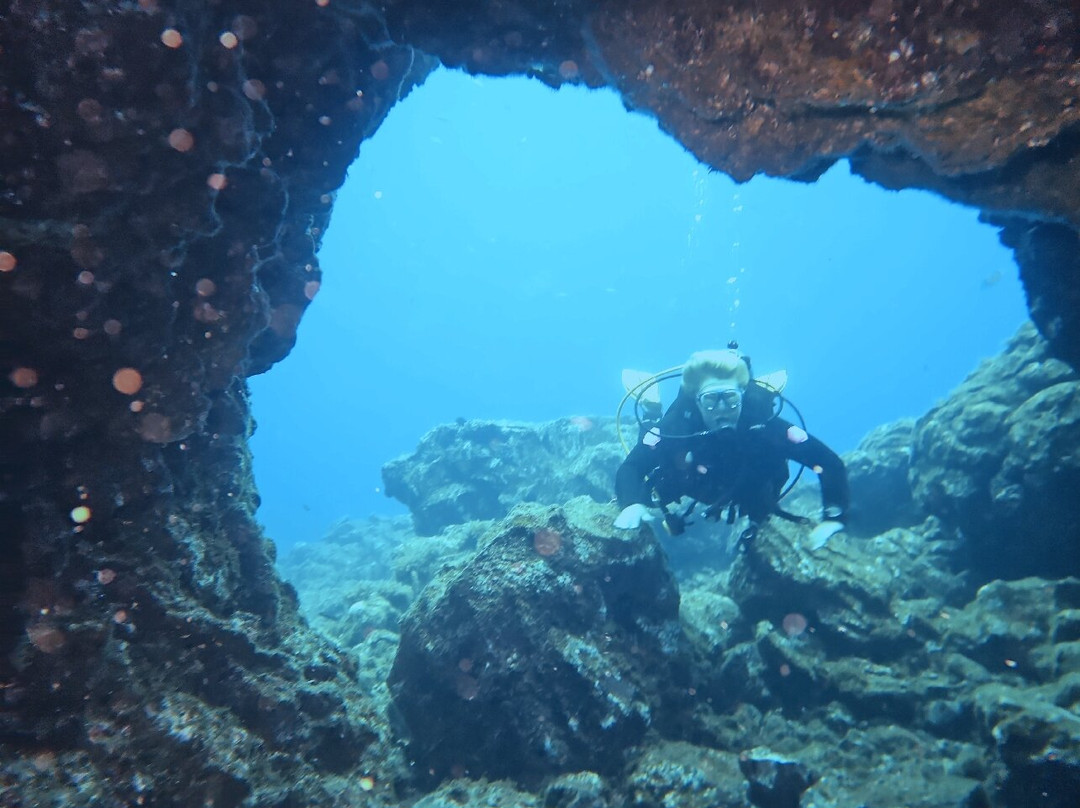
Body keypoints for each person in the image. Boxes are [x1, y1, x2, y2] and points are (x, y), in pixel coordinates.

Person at [614, 348, 849, 548]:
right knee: (654, 443)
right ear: (697, 401)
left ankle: (763, 391)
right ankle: (652, 408)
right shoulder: (677, 426)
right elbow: (633, 466)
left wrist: (833, 516)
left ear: (743, 396)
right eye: (710, 400)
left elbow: (827, 462)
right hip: (691, 478)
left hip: (745, 483)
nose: (722, 409)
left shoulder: (765, 427)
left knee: (762, 505)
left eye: (731, 398)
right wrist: (631, 503)